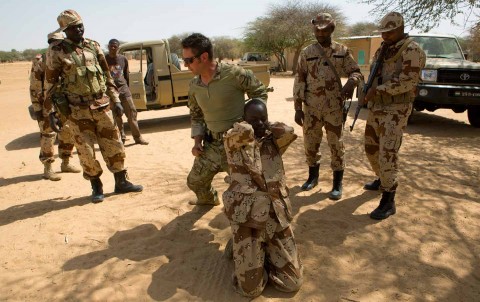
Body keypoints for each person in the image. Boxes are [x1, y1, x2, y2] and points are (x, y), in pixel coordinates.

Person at [44, 9, 143, 203]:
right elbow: (51, 84)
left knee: (114, 145)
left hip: (102, 106)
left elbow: (107, 76)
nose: (79, 30)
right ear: (65, 30)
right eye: (74, 28)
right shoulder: (56, 51)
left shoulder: (93, 46)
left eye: (80, 25)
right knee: (86, 152)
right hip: (76, 111)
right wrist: (52, 112)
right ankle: (96, 186)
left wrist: (115, 100)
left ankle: (121, 182)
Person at [222, 99, 303, 297]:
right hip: (248, 220)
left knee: (292, 283)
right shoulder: (232, 141)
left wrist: (267, 125)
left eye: (262, 119)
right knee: (250, 290)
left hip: (275, 216)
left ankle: (266, 255)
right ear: (244, 119)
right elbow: (242, 132)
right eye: (253, 119)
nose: (258, 124)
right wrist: (251, 127)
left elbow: (289, 131)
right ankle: (241, 247)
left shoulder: (272, 141)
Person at [182, 33, 268, 206]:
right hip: (212, 145)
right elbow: (196, 115)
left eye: (189, 60)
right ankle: (208, 200)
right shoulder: (194, 86)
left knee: (247, 189)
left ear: (204, 57)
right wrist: (197, 142)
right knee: (195, 181)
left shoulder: (234, 74)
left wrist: (252, 119)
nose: (185, 65)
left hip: (237, 145)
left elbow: (259, 92)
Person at [293, 13, 363, 200]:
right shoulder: (307, 52)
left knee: (336, 145)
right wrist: (298, 108)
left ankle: (337, 184)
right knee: (310, 144)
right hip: (311, 108)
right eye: (317, 29)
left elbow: (356, 72)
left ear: (332, 29)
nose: (320, 33)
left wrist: (352, 82)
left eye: (324, 30)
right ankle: (312, 177)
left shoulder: (342, 50)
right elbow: (299, 79)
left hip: (333, 108)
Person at [363, 12, 426, 220]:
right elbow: (374, 72)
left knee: (387, 152)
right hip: (377, 108)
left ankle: (388, 200)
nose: (386, 36)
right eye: (384, 32)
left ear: (400, 29)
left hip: (397, 109)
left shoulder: (412, 50)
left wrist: (378, 90)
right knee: (371, 148)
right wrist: (367, 90)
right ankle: (382, 179)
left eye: (390, 32)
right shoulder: (384, 49)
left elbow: (408, 81)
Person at [29, 30, 81, 181]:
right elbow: (35, 87)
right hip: (46, 104)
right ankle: (48, 168)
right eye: (54, 43)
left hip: (64, 102)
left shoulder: (66, 58)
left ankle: (66, 162)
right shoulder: (40, 61)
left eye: (59, 42)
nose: (57, 45)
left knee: (67, 131)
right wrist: (38, 108)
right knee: (48, 135)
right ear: (50, 44)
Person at [106, 38, 149, 145]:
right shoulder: (103, 60)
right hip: (111, 93)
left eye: (115, 46)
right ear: (108, 47)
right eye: (111, 46)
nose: (113, 48)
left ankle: (138, 138)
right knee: (116, 116)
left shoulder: (123, 59)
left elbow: (126, 75)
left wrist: (127, 88)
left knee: (132, 114)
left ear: (118, 48)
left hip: (124, 91)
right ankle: (121, 138)